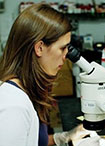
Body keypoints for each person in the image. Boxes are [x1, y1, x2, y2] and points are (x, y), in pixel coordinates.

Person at [0, 3, 91, 146]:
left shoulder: (24, 90)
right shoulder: (14, 106)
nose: (66, 55)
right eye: (62, 48)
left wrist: (64, 137)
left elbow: (30, 140)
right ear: (40, 48)